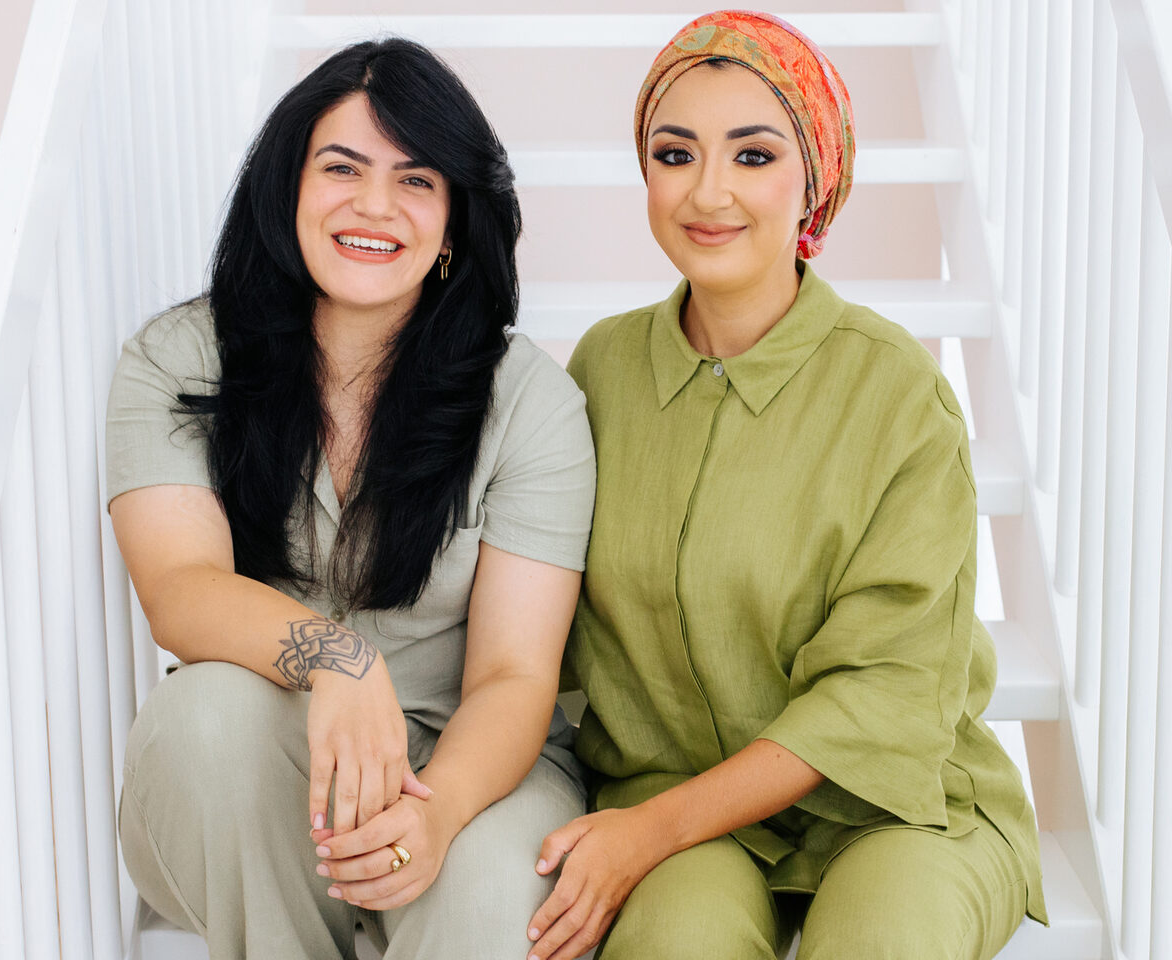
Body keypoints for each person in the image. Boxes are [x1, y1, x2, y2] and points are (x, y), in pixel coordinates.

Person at [524, 11, 1047, 960]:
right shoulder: (602, 370)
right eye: (675, 153)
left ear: (814, 179)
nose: (708, 191)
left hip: (895, 806)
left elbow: (880, 692)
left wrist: (648, 832)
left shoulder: (898, 391)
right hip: (674, 804)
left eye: (754, 155)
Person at [105, 38, 595, 960]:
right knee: (205, 718)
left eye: (416, 180)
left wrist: (438, 813)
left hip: (465, 767)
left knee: (500, 892)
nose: (375, 205)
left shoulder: (530, 401)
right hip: (259, 769)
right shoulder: (180, 358)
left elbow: (514, 675)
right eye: (342, 167)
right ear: (287, 184)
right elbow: (179, 589)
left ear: (452, 224)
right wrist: (340, 661)